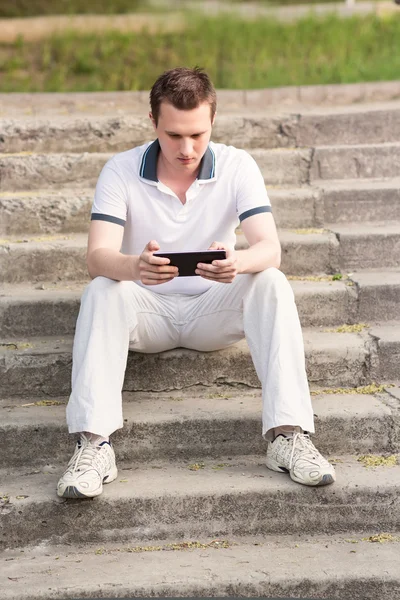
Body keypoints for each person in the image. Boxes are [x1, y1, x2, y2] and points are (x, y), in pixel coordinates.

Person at [57, 67, 336, 499]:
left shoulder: (238, 165)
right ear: (153, 122)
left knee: (271, 281)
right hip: (146, 311)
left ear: (212, 122)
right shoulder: (120, 170)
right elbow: (97, 257)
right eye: (173, 136)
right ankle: (94, 445)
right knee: (102, 288)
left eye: (198, 135)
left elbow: (270, 248)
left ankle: (289, 436)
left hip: (213, 310)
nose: (187, 149)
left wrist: (237, 262)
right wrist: (135, 267)